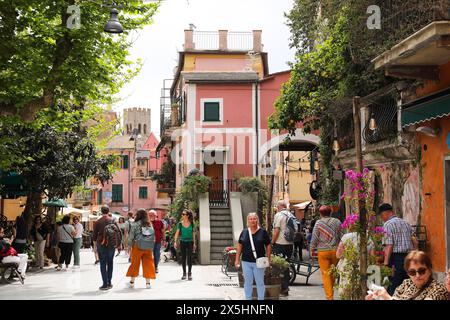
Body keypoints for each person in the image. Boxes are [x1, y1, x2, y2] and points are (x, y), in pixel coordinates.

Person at [366, 250, 448, 300]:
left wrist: (387, 297)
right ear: (408, 273)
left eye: (422, 271)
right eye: (412, 272)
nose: (417, 275)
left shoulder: (438, 288)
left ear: (429, 270)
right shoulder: (406, 284)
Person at [378, 203, 418, 295]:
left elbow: (389, 245)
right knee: (407, 285)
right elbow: (415, 242)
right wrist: (415, 256)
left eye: (381, 216)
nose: (382, 218)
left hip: (395, 259)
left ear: (385, 213)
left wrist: (386, 263)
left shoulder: (388, 225)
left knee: (394, 286)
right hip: (409, 258)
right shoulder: (406, 223)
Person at [336, 214, 375, 297]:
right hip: (364, 267)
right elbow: (372, 257)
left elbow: (338, 255)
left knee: (346, 292)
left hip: (348, 268)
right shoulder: (369, 238)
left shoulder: (346, 237)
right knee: (362, 291)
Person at [235, 212, 271, 300]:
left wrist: (269, 258)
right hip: (246, 261)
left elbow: (268, 245)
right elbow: (239, 246)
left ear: (257, 220)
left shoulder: (263, 232)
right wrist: (237, 259)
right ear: (248, 221)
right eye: (251, 219)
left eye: (254, 218)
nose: (253, 220)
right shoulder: (244, 232)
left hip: (259, 262)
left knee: (260, 282)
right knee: (247, 282)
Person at [310, 205, 342, 300]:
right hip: (335, 251)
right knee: (332, 273)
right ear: (330, 212)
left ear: (320, 213)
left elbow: (314, 237)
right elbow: (342, 235)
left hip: (323, 252)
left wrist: (312, 249)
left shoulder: (318, 223)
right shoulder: (337, 222)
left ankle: (329, 297)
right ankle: (330, 294)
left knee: (326, 274)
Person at [93, 205, 122, 290]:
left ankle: (105, 284)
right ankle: (109, 282)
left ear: (101, 212)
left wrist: (94, 247)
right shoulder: (112, 220)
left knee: (102, 263)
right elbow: (119, 232)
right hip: (111, 244)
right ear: (108, 211)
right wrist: (119, 244)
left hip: (101, 244)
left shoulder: (98, 221)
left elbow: (94, 236)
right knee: (110, 262)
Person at [126, 208, 156, 289]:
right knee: (148, 264)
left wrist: (128, 246)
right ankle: (148, 284)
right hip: (148, 246)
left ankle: (132, 282)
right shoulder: (149, 224)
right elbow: (153, 236)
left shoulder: (135, 224)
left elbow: (131, 236)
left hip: (137, 246)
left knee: (135, 263)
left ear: (138, 215)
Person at [271, 200, 294, 296]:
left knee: (277, 266)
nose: (276, 208)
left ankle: (281, 288)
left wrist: (272, 242)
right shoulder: (291, 215)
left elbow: (276, 231)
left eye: (277, 206)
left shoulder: (279, 215)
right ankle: (285, 288)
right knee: (286, 265)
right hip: (290, 244)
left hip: (280, 243)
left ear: (280, 206)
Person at [174, 209, 196, 280]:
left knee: (190, 258)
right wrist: (175, 241)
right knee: (183, 258)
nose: (182, 215)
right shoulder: (180, 224)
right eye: (182, 214)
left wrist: (194, 243)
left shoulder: (192, 223)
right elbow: (177, 233)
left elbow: (193, 234)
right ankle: (184, 273)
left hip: (190, 242)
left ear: (187, 215)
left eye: (184, 214)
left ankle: (189, 274)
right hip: (182, 242)